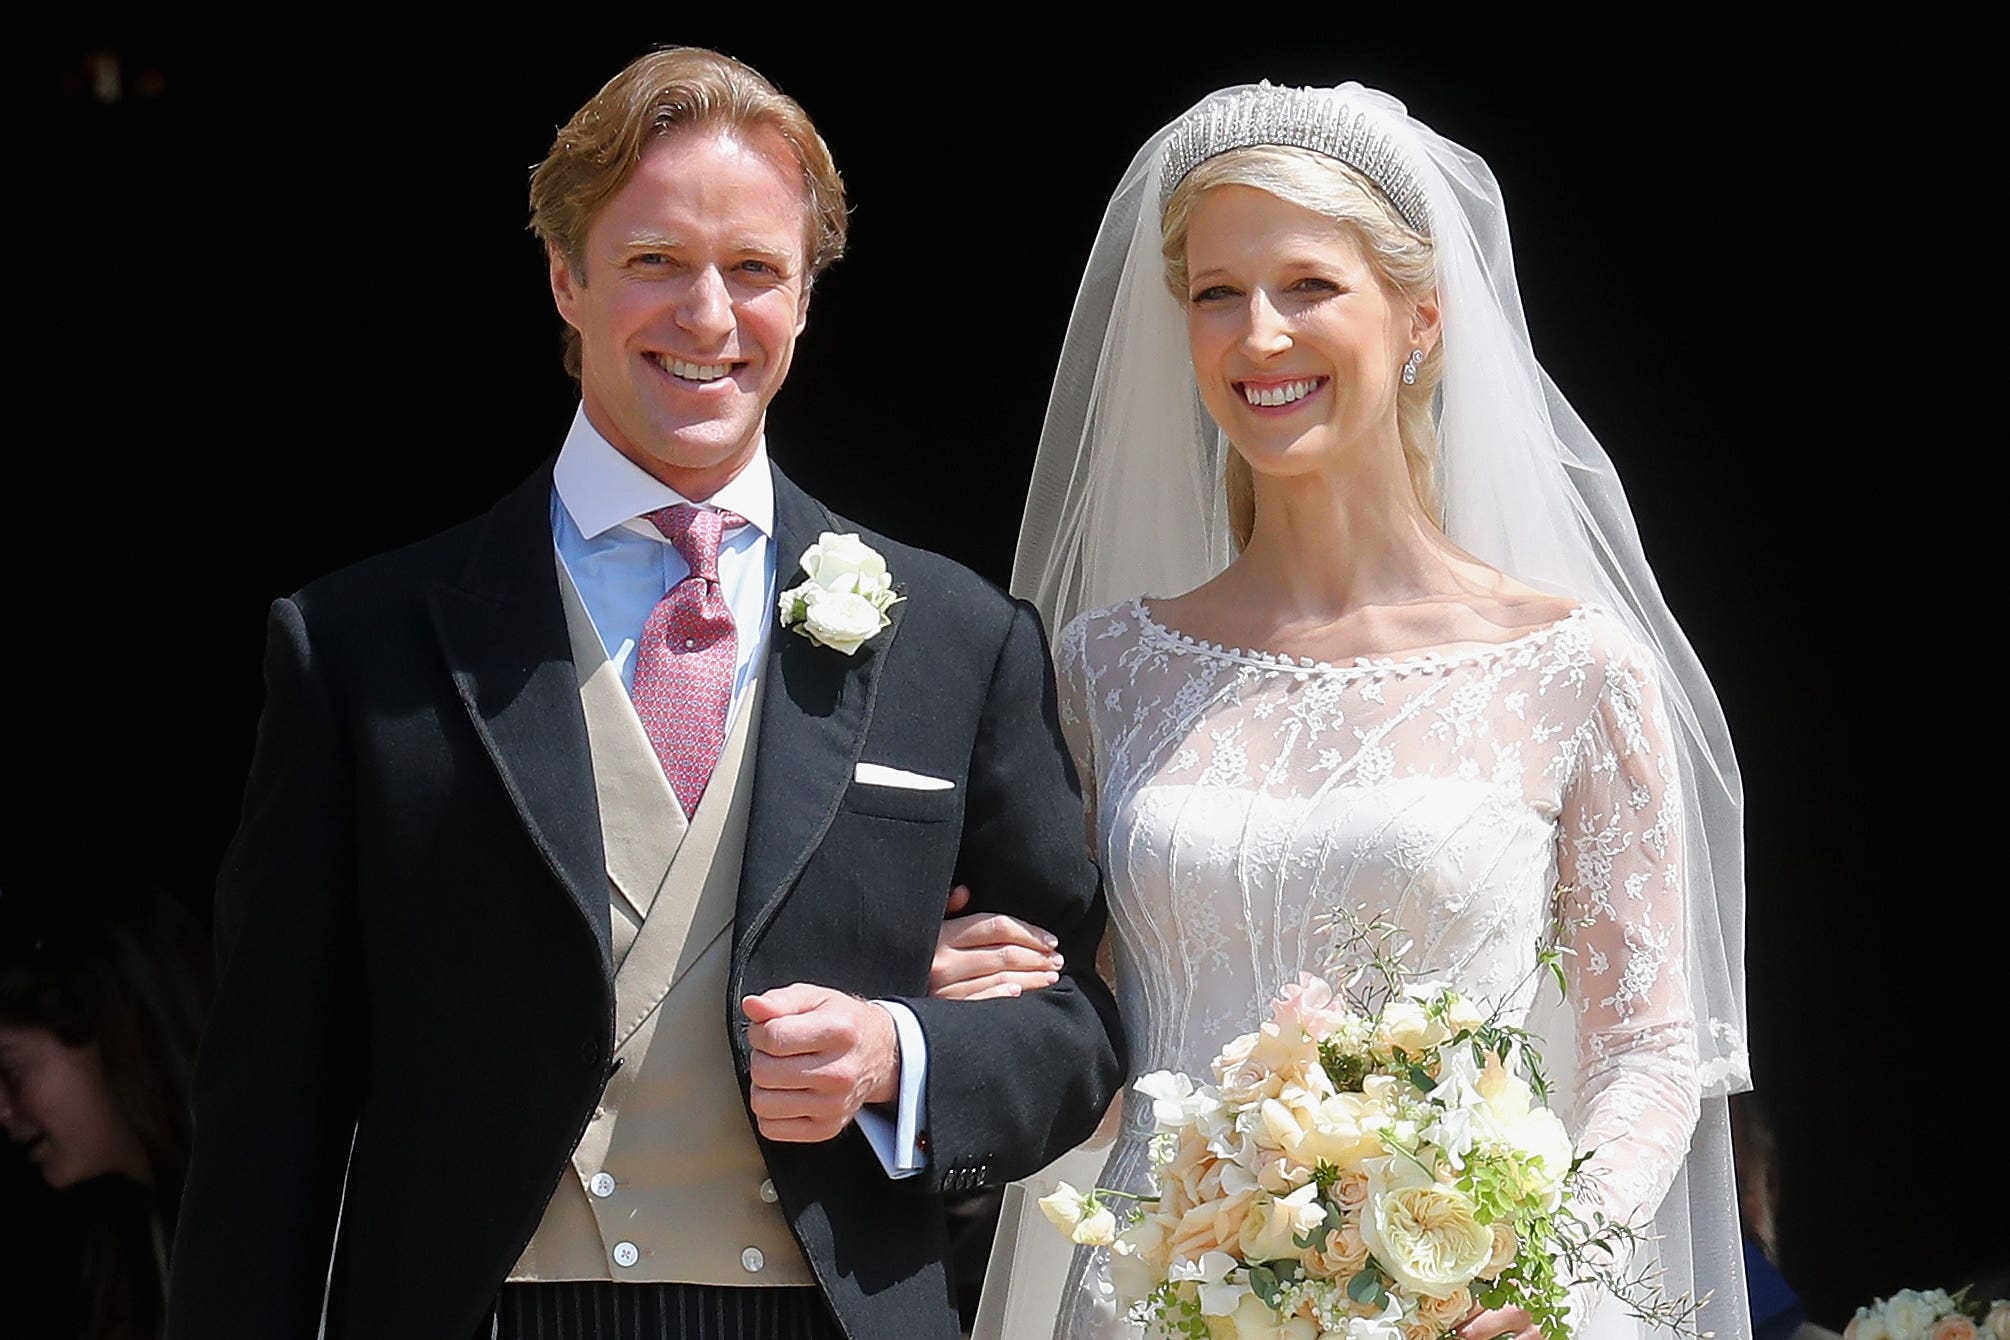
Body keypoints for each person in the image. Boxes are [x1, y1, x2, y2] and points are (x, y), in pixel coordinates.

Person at [164, 47, 1124, 1340]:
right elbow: (268, 1108)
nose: (709, 317)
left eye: (755, 270)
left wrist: (904, 1056)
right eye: (656, 261)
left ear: (805, 296)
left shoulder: (956, 639)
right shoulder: (361, 646)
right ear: (566, 279)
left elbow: (1077, 1030)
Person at [969, 82, 1752, 1340]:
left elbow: (1650, 1051)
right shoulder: (1107, 666)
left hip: (1463, 1312)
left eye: (1309, 286)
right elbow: (1077, 1024)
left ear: (1424, 315)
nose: (1259, 336)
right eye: (1217, 293)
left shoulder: (1572, 666)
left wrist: (1532, 1268)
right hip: (1158, 1301)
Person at [0, 888, 211, 1339]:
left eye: (13, 1073)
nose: (3, 1111)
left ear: (116, 1033)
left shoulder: (247, 1226)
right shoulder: (124, 1245)